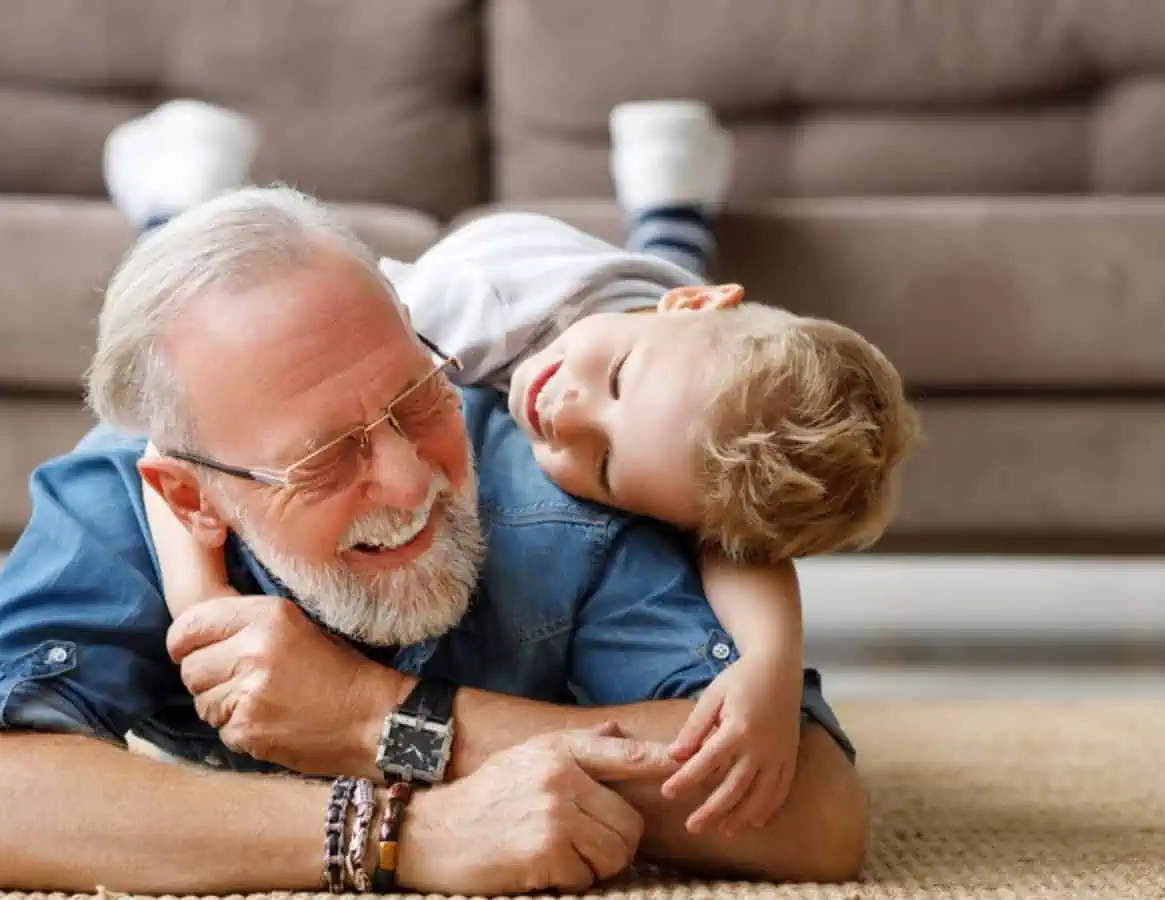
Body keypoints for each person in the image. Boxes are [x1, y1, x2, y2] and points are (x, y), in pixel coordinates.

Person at [0, 118, 869, 899]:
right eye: (324, 459)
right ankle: (171, 196)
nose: (408, 481)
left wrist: (379, 721)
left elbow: (811, 813)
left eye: (416, 402)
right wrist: (400, 833)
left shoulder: (569, 467)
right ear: (192, 500)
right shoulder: (117, 492)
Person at [127, 101, 918, 834]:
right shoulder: (457, 316)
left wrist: (771, 673)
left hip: (644, 316)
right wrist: (206, 608)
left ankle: (673, 210)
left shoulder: (669, 393)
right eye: (615, 382)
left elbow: (739, 545)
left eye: (603, 464)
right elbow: (182, 426)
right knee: (200, 314)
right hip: (552, 290)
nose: (562, 409)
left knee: (662, 278)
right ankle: (176, 204)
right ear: (693, 308)